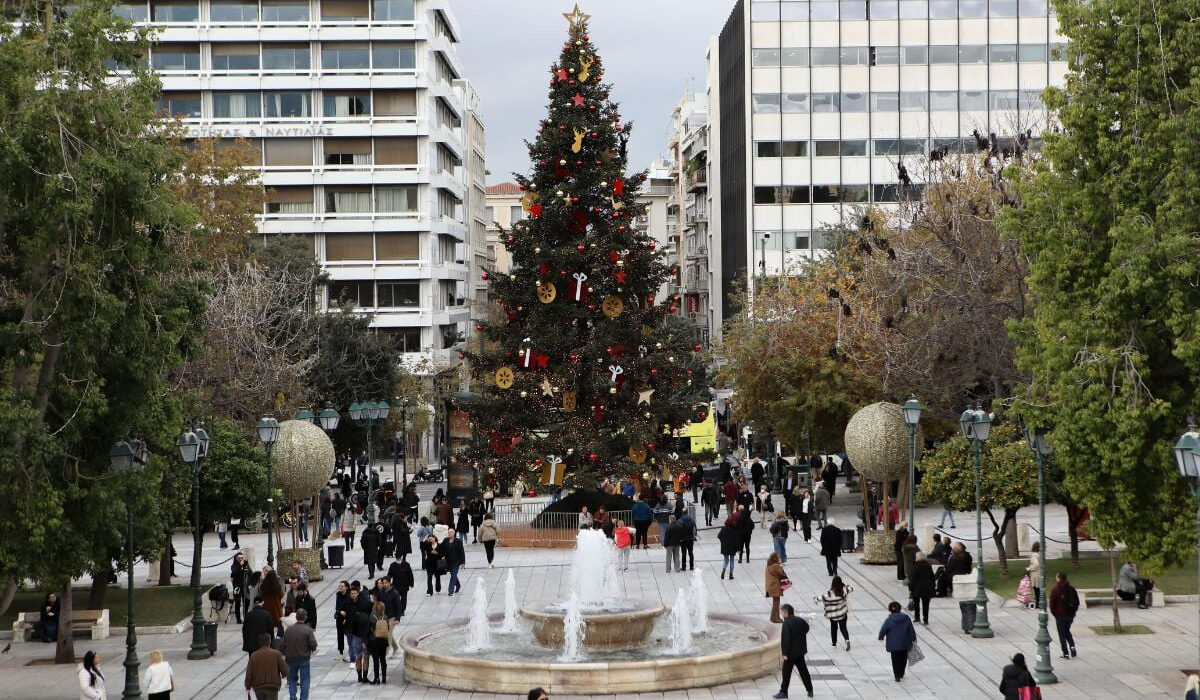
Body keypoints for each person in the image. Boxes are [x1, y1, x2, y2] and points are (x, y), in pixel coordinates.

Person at [772, 603, 813, 698]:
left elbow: (786, 639)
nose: (781, 614)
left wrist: (785, 653)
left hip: (790, 653)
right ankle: (810, 690)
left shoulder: (786, 623)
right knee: (803, 671)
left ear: (786, 612)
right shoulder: (800, 620)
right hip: (800, 651)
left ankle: (783, 692)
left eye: (781, 612)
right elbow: (806, 628)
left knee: (786, 673)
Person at [282, 607, 317, 700]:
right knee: (305, 679)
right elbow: (313, 644)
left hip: (290, 658)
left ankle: (292, 695)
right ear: (305, 618)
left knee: (292, 678)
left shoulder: (289, 630)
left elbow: (283, 644)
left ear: (296, 617)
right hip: (304, 658)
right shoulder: (307, 630)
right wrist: (313, 649)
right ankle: (303, 698)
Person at [878, 600, 917, 682]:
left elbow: (883, 629)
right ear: (899, 609)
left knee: (895, 660)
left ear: (890, 609)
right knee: (903, 658)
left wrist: (881, 637)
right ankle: (901, 672)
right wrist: (913, 638)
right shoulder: (906, 618)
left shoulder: (889, 620)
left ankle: (897, 676)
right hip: (905, 643)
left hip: (893, 644)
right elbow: (911, 630)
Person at [815, 576, 853, 651]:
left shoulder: (830, 593)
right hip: (842, 613)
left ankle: (834, 642)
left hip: (833, 615)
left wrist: (816, 599)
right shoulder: (844, 590)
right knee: (843, 628)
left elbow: (821, 597)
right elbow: (851, 589)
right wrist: (845, 586)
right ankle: (847, 640)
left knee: (834, 628)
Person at [1049, 571, 1079, 659]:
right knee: (1067, 630)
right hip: (1070, 615)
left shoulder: (1055, 590)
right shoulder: (1072, 589)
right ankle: (1072, 648)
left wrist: (1055, 613)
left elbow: (1052, 604)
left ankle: (1065, 653)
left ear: (1059, 578)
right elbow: (1077, 602)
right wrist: (1073, 612)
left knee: (1062, 633)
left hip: (1060, 615)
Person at [375, 576, 403, 656]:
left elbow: (398, 606)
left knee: (388, 636)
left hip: (392, 617)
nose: (384, 584)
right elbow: (378, 604)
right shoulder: (380, 593)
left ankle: (385, 656)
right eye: (383, 583)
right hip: (383, 617)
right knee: (387, 634)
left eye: (386, 583)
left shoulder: (395, 593)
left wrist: (397, 618)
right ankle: (396, 647)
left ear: (389, 583)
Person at [908, 552, 935, 625]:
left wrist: (910, 589)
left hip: (917, 588)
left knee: (916, 604)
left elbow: (912, 579)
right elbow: (932, 577)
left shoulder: (915, 567)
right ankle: (926, 619)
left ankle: (917, 618)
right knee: (926, 605)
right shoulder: (928, 566)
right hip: (927, 588)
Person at [366, 600, 390, 684]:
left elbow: (368, 631)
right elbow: (388, 629)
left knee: (375, 661)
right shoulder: (385, 617)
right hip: (383, 642)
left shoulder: (371, 618)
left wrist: (365, 642)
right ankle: (384, 677)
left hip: (373, 642)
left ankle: (376, 678)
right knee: (383, 660)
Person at [259, 569, 285, 637]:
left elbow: (261, 595)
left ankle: (271, 640)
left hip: (267, 608)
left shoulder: (263, 586)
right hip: (277, 608)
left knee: (269, 626)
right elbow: (281, 595)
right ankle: (281, 639)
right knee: (279, 623)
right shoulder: (277, 586)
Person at [764, 551, 789, 623]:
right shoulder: (775, 566)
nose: (780, 559)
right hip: (774, 586)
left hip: (771, 586)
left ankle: (775, 617)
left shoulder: (769, 565)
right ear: (775, 559)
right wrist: (780, 565)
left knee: (776, 602)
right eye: (778, 558)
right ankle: (775, 618)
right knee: (776, 603)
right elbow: (781, 573)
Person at [441, 528, 466, 596]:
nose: (449, 533)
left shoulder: (458, 541)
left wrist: (463, 562)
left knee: (453, 575)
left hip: (456, 561)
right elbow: (441, 548)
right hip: (448, 561)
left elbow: (462, 552)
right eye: (449, 532)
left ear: (454, 533)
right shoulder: (445, 540)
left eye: (451, 532)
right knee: (453, 575)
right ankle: (458, 585)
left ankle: (450, 590)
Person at [231, 552, 252, 624]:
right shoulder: (234, 565)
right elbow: (233, 573)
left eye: (242, 558)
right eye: (239, 558)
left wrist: (250, 583)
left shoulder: (246, 564)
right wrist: (240, 566)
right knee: (237, 602)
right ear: (236, 559)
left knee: (247, 602)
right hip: (237, 587)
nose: (241, 559)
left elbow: (251, 573)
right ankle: (238, 618)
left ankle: (245, 616)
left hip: (245, 586)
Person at [1027, 542, 1042, 608]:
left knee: (1036, 589)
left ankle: (1038, 603)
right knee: (1038, 589)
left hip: (1035, 574)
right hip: (1038, 573)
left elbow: (1036, 564)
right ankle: (1039, 602)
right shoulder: (1039, 554)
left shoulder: (1034, 555)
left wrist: (1029, 568)